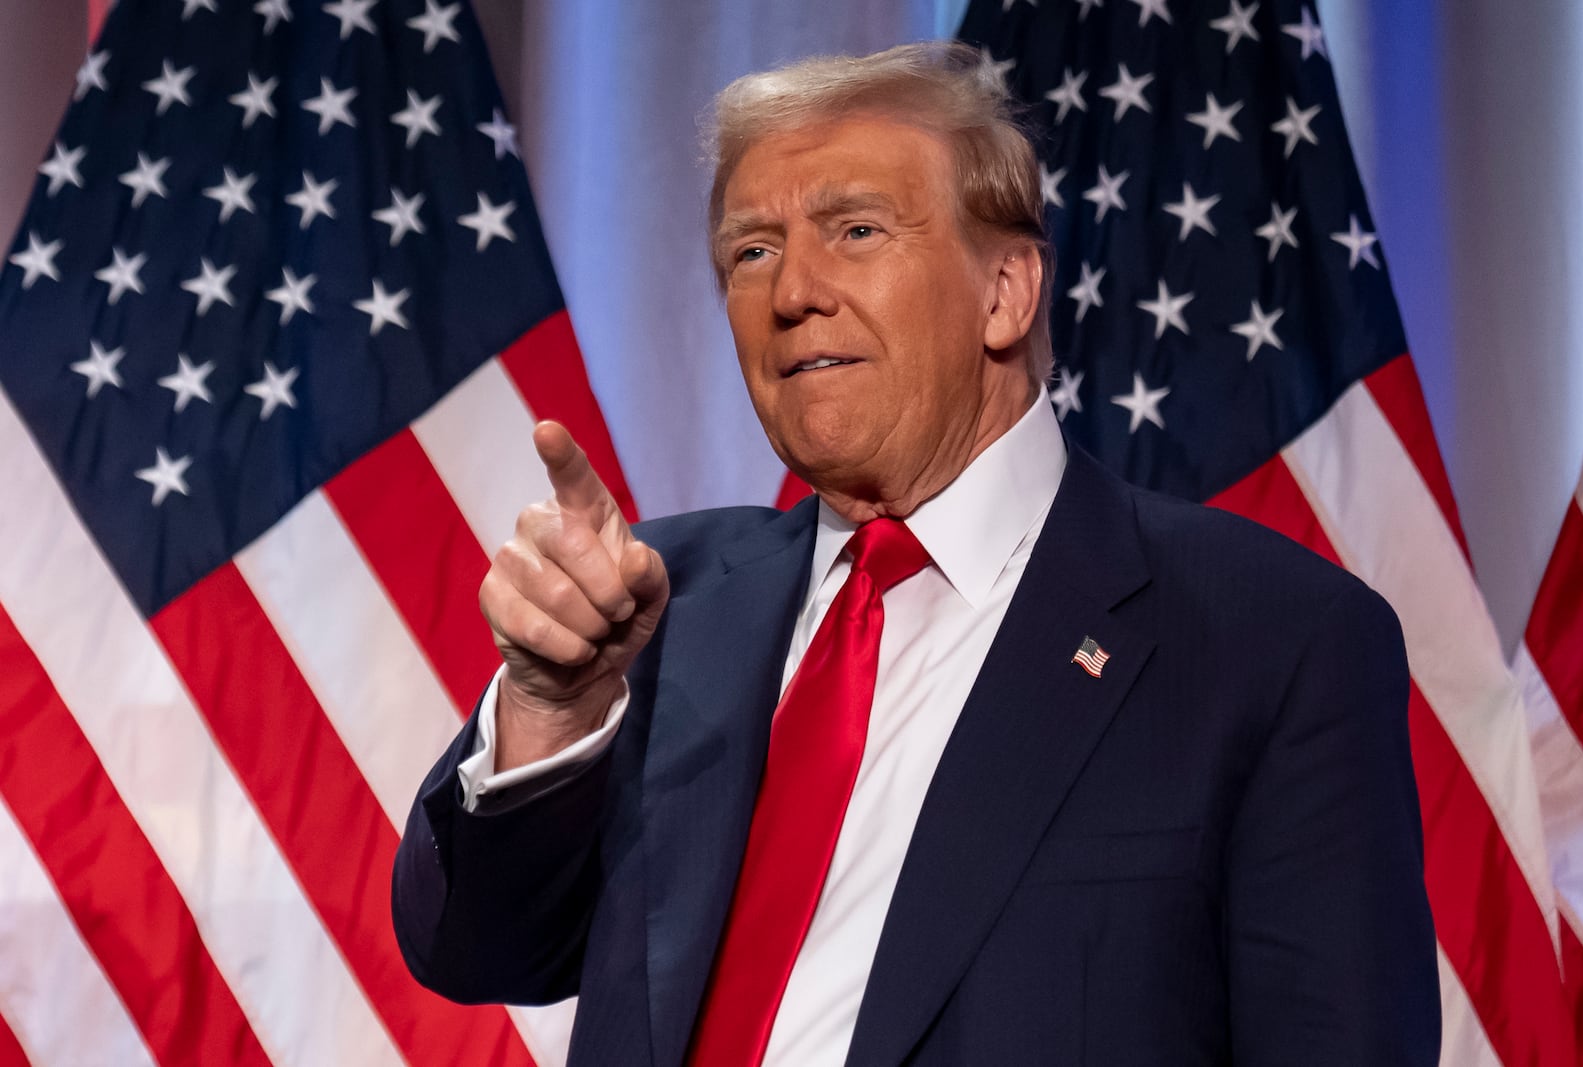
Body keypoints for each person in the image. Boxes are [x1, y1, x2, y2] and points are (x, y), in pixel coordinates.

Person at [392, 42, 1440, 1067]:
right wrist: (550, 706)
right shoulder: (657, 608)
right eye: (750, 250)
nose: (791, 289)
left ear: (1005, 292)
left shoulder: (1267, 640)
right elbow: (473, 947)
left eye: (854, 229)